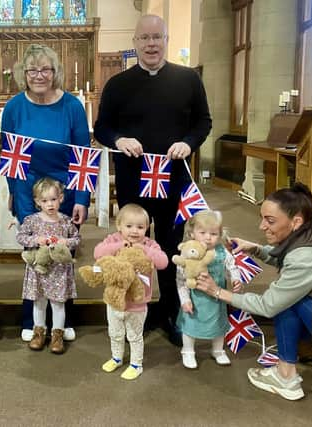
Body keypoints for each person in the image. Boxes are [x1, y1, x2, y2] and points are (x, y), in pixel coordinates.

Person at [94, 15, 212, 346]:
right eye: (144, 38)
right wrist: (118, 140)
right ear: (135, 42)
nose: (150, 44)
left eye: (156, 37)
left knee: (173, 246)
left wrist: (189, 142)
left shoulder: (188, 79)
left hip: (174, 178)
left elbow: (204, 121)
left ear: (166, 39)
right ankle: (137, 306)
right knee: (134, 245)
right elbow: (102, 126)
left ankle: (171, 310)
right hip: (134, 180)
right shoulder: (118, 84)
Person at [195, 183, 312, 401]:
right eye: (262, 218)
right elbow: (289, 256)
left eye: (270, 221)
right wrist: (256, 249)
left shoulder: (308, 255)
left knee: (284, 302)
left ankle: (285, 376)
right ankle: (285, 372)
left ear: (296, 221)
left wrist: (218, 292)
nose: (261, 226)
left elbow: (268, 306)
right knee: (288, 299)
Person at [1, 43, 90, 343]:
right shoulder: (14, 107)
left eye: (45, 69)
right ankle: (32, 320)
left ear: (55, 72)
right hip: (28, 188)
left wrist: (81, 198)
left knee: (63, 253)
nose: (39, 75)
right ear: (23, 74)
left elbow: (83, 155)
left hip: (65, 189)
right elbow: (9, 154)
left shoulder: (72, 106)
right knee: (34, 255)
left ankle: (63, 321)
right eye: (32, 70)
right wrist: (13, 191)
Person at [93, 203, 168, 379]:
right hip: (114, 299)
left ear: (147, 228)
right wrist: (117, 246)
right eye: (129, 226)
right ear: (119, 226)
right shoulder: (113, 240)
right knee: (115, 333)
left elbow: (163, 262)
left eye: (140, 227)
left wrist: (144, 250)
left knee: (135, 335)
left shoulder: (150, 244)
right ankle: (116, 357)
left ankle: (136, 364)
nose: (134, 231)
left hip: (137, 301)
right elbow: (98, 253)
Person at [15, 178, 80, 354]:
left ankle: (57, 334)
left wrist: (65, 242)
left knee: (58, 303)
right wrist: (36, 240)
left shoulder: (66, 221)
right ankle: (39, 332)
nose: (50, 204)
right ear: (37, 202)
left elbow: (76, 240)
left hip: (58, 271)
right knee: (39, 302)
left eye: (53, 199)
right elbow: (21, 237)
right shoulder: (32, 220)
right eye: (44, 201)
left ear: (61, 198)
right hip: (39, 270)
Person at [175, 210, 242, 369]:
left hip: (217, 296)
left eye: (213, 233)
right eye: (202, 232)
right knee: (190, 325)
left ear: (219, 234)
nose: (208, 237)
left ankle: (218, 350)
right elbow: (181, 280)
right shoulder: (188, 253)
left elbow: (232, 265)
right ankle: (188, 351)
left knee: (219, 324)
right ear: (192, 233)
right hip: (196, 297)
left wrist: (235, 278)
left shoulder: (221, 251)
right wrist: (185, 300)